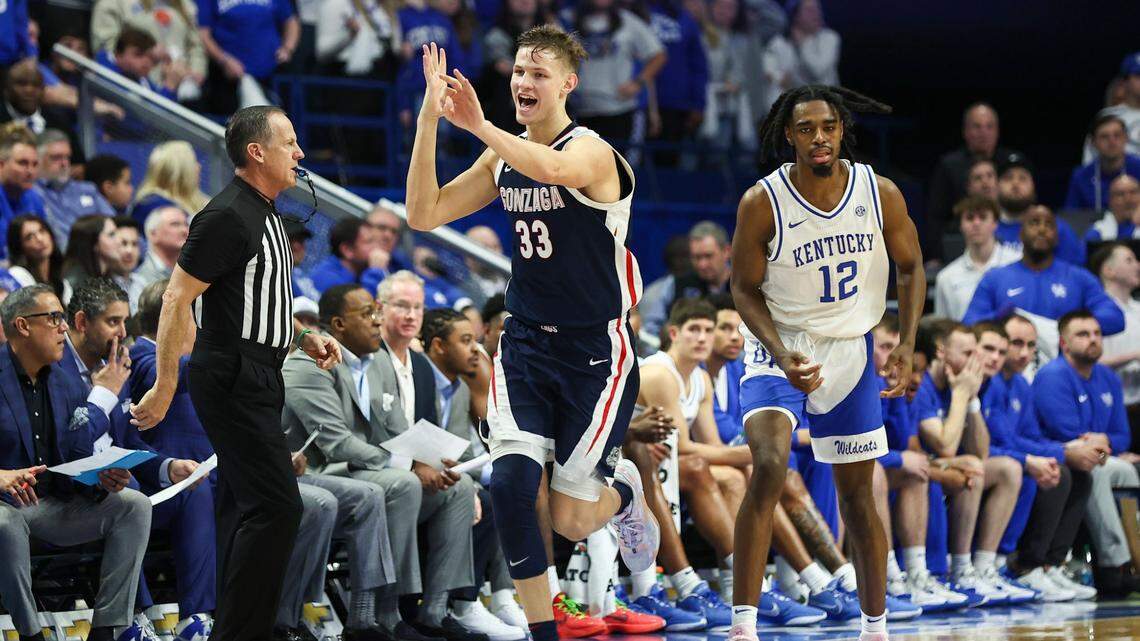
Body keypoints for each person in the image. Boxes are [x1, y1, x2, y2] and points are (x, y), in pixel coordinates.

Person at [404, 28, 659, 641]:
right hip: (523, 343)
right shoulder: (501, 154)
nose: (524, 82)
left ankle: (624, 491)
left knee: (570, 519)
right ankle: (543, 633)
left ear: (567, 85)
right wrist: (429, 118)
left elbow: (551, 168)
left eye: (539, 73)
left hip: (595, 350)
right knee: (514, 484)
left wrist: (480, 127)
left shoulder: (592, 150)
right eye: (519, 70)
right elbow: (423, 213)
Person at [129, 106, 342, 641]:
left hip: (263, 370)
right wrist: (164, 384)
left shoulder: (267, 212)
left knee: (244, 510)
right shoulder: (225, 215)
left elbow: (254, 299)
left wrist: (300, 335)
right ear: (257, 152)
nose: (300, 153)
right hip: (231, 375)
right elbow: (178, 297)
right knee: (278, 507)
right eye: (289, 143)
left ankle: (231, 624)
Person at [729, 84, 926, 641]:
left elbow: (911, 269)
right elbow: (743, 289)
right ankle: (743, 625)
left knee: (858, 497)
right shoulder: (761, 201)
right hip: (779, 342)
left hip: (849, 348)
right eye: (806, 129)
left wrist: (907, 342)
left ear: (842, 130)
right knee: (769, 465)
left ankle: (876, 626)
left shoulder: (878, 192)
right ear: (787, 136)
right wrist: (780, 349)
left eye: (828, 127)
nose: (819, 138)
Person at [0, 284, 151, 641]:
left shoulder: (66, 382)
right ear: (22, 326)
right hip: (6, 506)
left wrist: (103, 475)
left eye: (63, 319)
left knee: (134, 505)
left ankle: (107, 629)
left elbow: (77, 452)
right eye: (53, 318)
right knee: (3, 524)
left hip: (54, 504)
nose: (64, 328)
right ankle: (31, 633)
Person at [421, 308, 531, 641]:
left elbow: (461, 453)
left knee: (506, 485)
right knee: (486, 496)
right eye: (466, 341)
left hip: (449, 476)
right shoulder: (418, 376)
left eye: (475, 340)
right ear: (439, 346)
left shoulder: (458, 389)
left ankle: (501, 595)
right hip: (416, 475)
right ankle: (464, 603)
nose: (475, 349)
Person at [1032, 310, 1140, 598]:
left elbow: (1122, 435)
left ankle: (1135, 553)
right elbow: (1065, 431)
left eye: (1096, 334)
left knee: (1127, 470)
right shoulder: (1052, 376)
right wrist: (1103, 442)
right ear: (1064, 343)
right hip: (1059, 453)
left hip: (1099, 454)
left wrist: (1102, 441)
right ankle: (1114, 563)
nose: (1093, 340)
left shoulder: (1108, 377)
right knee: (1100, 469)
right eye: (1083, 334)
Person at [997, 314, 1094, 602]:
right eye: (1016, 343)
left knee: (1080, 475)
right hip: (1001, 459)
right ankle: (1027, 564)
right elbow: (1005, 440)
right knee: (1059, 472)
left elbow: (1032, 437)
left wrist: (1067, 449)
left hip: (1016, 456)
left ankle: (1052, 564)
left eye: (1031, 346)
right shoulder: (991, 385)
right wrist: (1060, 452)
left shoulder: (1020, 385)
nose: (1024, 353)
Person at [963, 205, 1125, 362]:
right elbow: (969, 325)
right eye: (1034, 223)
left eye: (1049, 225)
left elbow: (1115, 318)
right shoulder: (995, 278)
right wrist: (997, 318)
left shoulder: (1079, 278)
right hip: (1011, 372)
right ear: (1021, 233)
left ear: (1057, 237)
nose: (1041, 229)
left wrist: (1071, 327)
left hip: (1064, 371)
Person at [925, 103, 1016, 264]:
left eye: (989, 127)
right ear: (965, 131)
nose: (983, 132)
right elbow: (936, 217)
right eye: (977, 127)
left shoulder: (1012, 163)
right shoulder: (949, 165)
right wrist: (937, 256)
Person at [933, 195, 1021, 321]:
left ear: (995, 223)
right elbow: (943, 328)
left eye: (983, 217)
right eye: (970, 218)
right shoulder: (946, 277)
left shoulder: (1017, 263)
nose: (976, 223)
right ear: (961, 225)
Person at [992, 153, 1086, 267]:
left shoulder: (1055, 228)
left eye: (1023, 178)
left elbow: (1073, 273)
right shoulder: (986, 229)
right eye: (1008, 178)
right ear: (997, 186)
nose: (1015, 184)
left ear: (1033, 186)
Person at [1092, 243, 1140, 440]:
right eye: (1129, 260)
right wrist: (1134, 356)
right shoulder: (1093, 311)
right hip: (1109, 407)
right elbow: (1086, 364)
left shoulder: (1138, 308)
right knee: (1109, 459)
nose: (1137, 265)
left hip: (1138, 404)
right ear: (1108, 270)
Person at [34, 129, 114, 245]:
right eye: (56, 158)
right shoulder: (34, 193)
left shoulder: (87, 189)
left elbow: (114, 222)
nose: (64, 163)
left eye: (67, 157)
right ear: (38, 160)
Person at [1066, 113, 1140, 213]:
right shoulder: (1081, 176)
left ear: (1125, 138)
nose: (1112, 141)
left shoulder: (1138, 168)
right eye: (1104, 137)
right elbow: (1072, 216)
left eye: (1117, 135)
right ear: (1093, 142)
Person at [129, 141, 209, 226]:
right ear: (180, 171)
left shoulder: (195, 200)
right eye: (193, 162)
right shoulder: (152, 205)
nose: (199, 167)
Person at [311, 217, 388, 294]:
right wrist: (375, 272)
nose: (377, 247)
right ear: (348, 250)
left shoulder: (361, 272)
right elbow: (360, 304)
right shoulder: (327, 278)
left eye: (376, 241)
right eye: (369, 242)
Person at [6, 215, 68, 300]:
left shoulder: (62, 282)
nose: (40, 239)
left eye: (42, 231)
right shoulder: (17, 275)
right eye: (30, 237)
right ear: (19, 246)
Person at [61, 214, 121, 296]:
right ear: (93, 243)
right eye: (111, 235)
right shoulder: (75, 283)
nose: (119, 241)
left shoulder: (106, 276)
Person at [135, 206, 190, 287]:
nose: (184, 230)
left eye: (186, 225)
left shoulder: (194, 269)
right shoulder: (141, 278)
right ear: (153, 234)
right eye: (175, 224)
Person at [1085, 174, 1140, 245]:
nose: (1128, 199)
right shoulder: (1098, 232)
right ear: (1110, 200)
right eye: (1120, 194)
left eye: (1133, 192)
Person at [108, 216, 147, 310]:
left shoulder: (142, 283)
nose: (129, 251)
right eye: (123, 243)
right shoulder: (100, 285)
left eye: (134, 244)